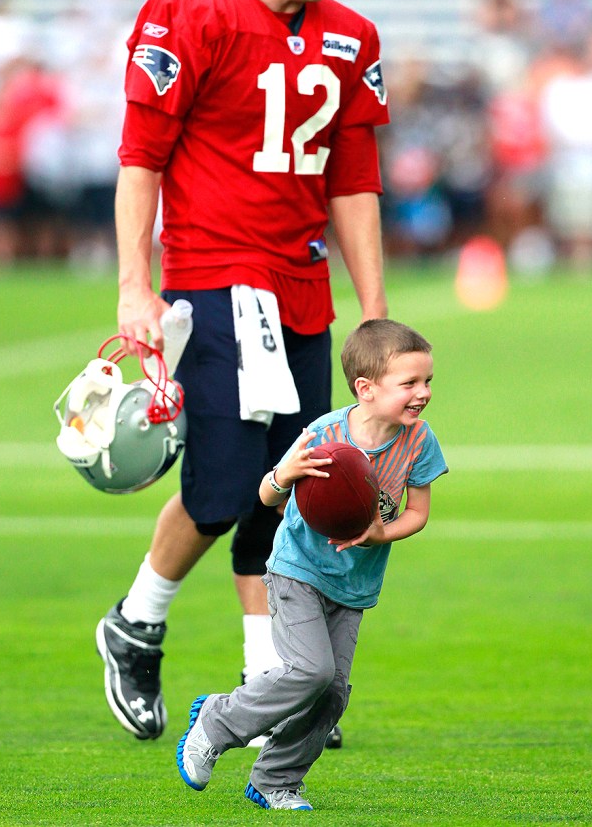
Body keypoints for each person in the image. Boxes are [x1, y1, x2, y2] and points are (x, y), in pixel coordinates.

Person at [95, 0, 390, 751]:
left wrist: (373, 309)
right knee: (226, 483)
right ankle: (137, 621)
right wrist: (133, 283)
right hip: (218, 275)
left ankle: (267, 680)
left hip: (300, 284)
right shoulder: (190, 13)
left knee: (290, 488)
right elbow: (141, 156)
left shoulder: (351, 35)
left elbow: (354, 181)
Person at [176, 318, 448, 811]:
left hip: (355, 584)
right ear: (365, 389)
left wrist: (380, 532)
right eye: (409, 383)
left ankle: (276, 779)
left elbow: (418, 513)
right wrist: (287, 472)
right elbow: (265, 494)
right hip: (296, 569)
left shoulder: (419, 441)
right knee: (311, 670)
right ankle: (217, 721)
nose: (423, 392)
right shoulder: (325, 434)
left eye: (427, 381)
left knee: (331, 694)